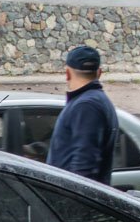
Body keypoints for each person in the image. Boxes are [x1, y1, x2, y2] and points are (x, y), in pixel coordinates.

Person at [47, 45, 118, 184]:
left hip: (73, 200)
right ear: (99, 73)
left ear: (67, 73)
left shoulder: (86, 106)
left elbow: (84, 167)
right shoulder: (95, 101)